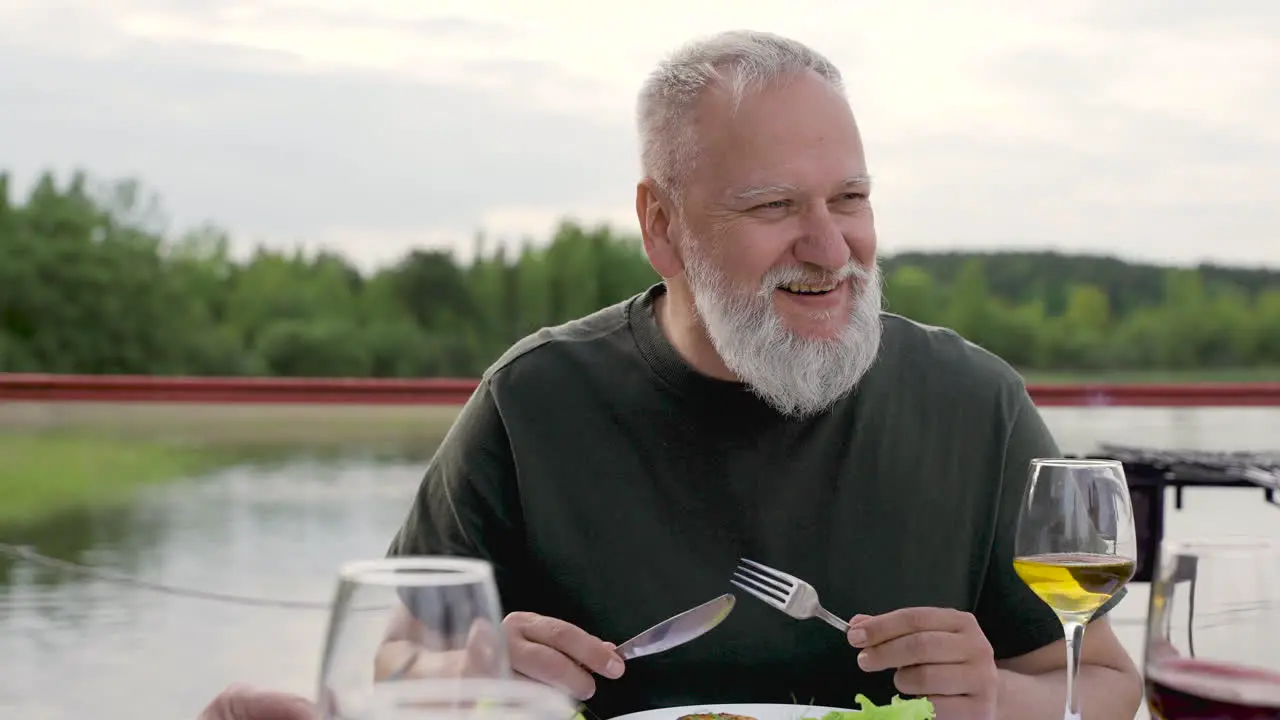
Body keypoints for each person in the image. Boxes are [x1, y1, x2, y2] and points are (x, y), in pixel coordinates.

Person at [203, 29, 1144, 720]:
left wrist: (996, 701)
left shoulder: (973, 402)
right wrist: (473, 674)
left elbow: (1106, 683)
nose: (830, 247)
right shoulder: (535, 402)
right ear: (662, 226)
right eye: (773, 204)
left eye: (850, 198)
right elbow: (400, 659)